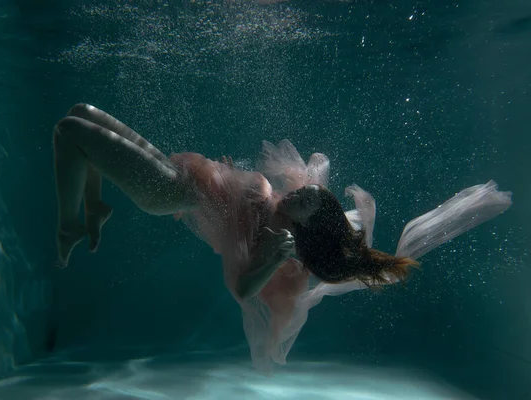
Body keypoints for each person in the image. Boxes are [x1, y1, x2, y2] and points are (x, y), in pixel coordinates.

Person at [52, 103, 513, 371]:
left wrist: (271, 262)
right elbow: (313, 196)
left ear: (306, 226)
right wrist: (317, 203)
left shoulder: (280, 244)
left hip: (168, 190)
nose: (303, 191)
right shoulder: (290, 204)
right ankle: (93, 206)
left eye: (309, 200)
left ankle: (72, 222)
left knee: (71, 132)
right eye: (312, 193)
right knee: (82, 113)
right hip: (181, 171)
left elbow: (242, 288)